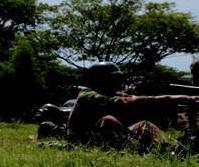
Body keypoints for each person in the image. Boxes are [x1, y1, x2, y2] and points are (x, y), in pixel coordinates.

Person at [66, 61, 199, 152]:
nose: (119, 83)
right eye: (115, 79)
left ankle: (170, 150)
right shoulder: (87, 96)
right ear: (102, 80)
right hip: (84, 144)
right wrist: (172, 99)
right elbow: (126, 103)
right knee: (108, 121)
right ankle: (148, 150)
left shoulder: (110, 94)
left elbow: (131, 101)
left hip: (102, 140)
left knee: (145, 125)